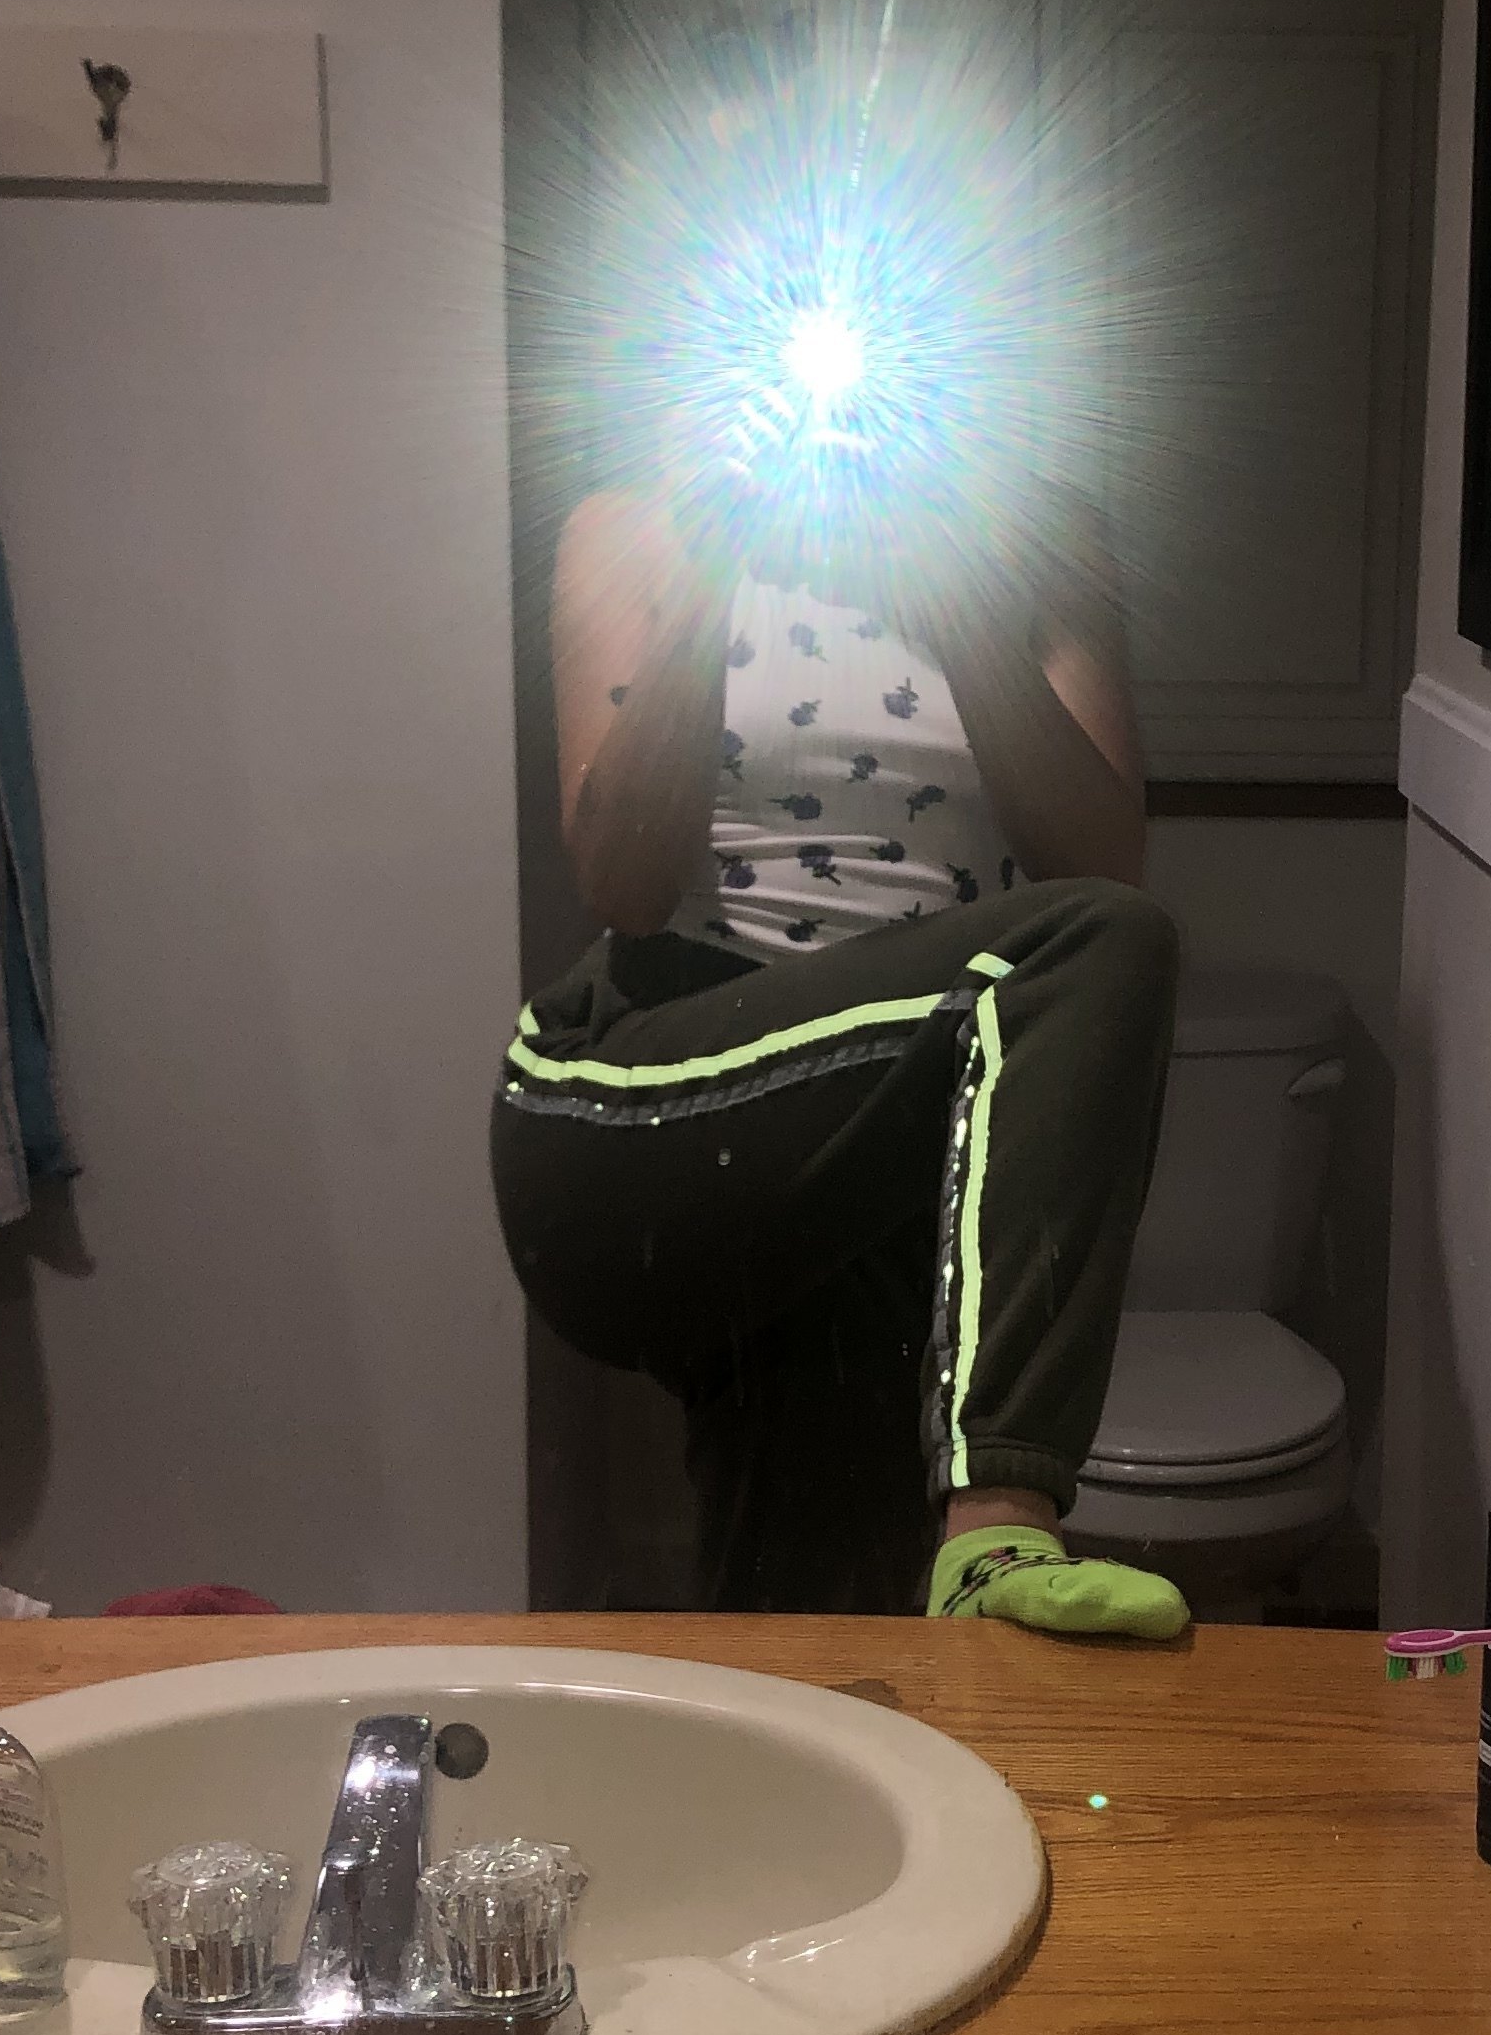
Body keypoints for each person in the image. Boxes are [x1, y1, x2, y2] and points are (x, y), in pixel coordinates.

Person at [492, 453, 1188, 1639]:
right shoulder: (637, 530)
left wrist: (967, 604)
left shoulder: (1043, 538)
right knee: (1097, 945)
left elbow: (1098, 853)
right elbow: (622, 882)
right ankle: (999, 1516)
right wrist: (708, 578)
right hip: (645, 1096)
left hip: (888, 1130)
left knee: (821, 1607)